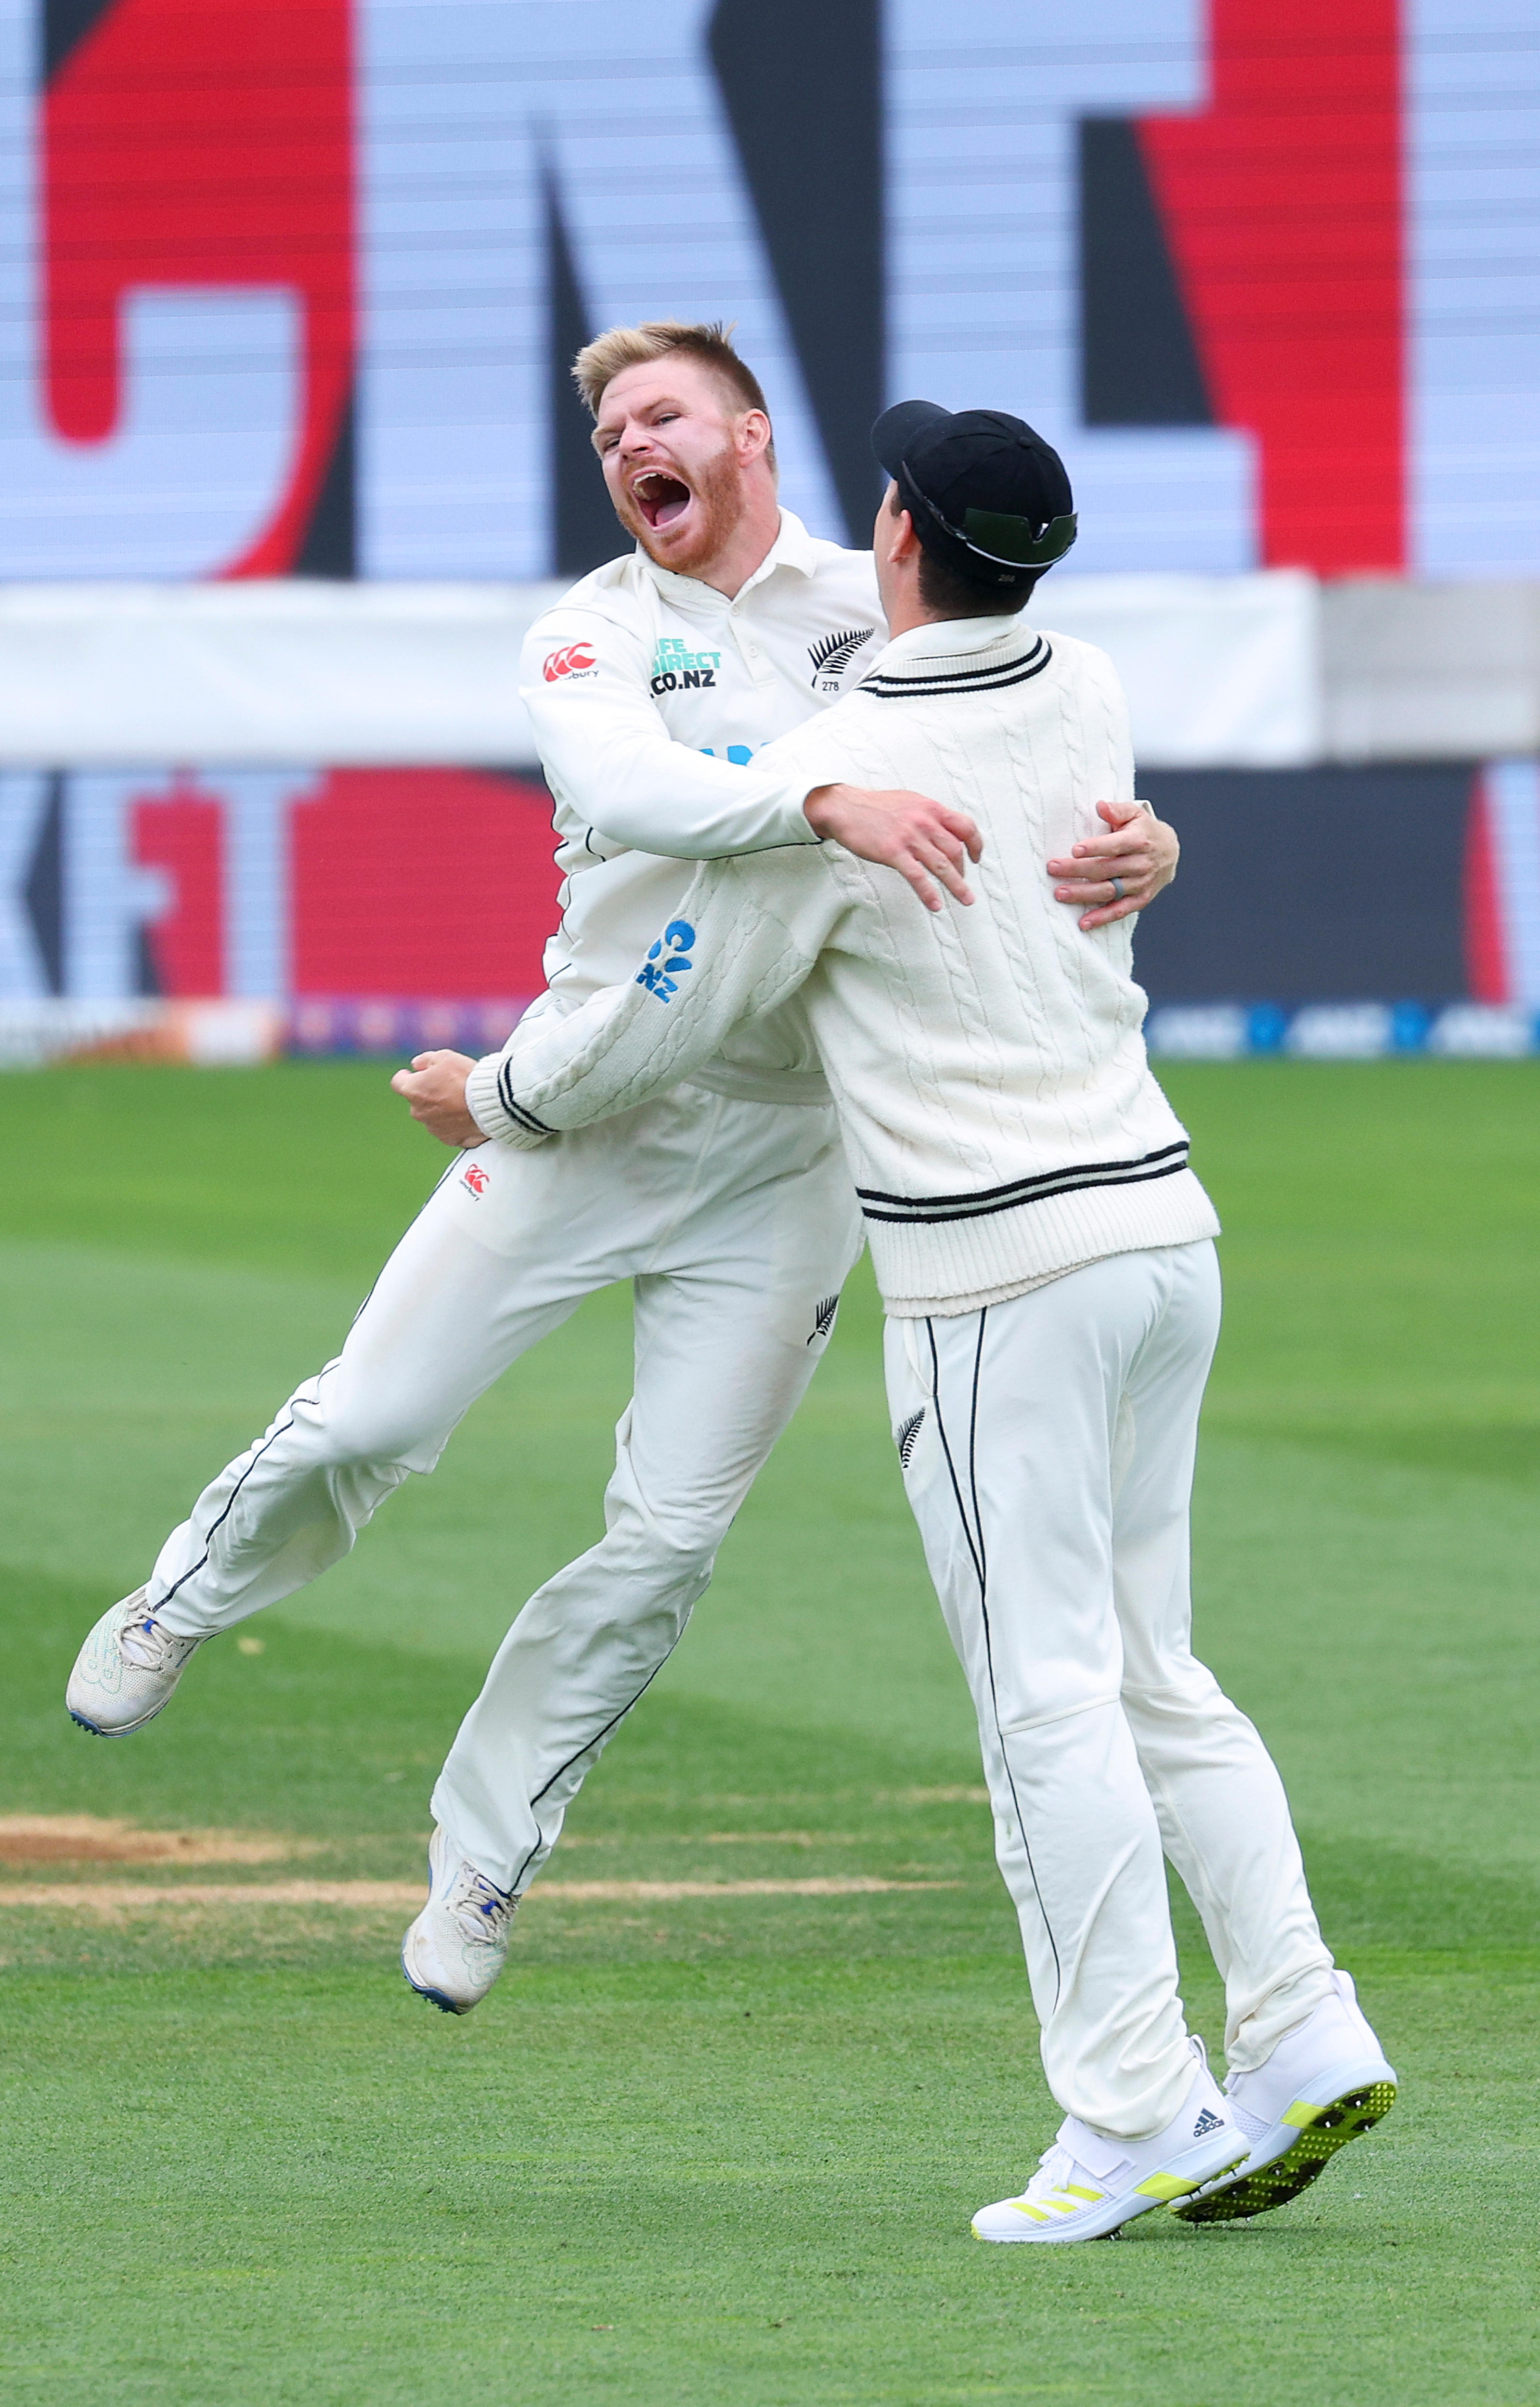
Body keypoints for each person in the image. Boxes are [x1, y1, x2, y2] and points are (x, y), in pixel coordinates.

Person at [62, 320, 1178, 2014]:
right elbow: (629, 788)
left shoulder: (870, 609)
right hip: (587, 1099)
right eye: (607, 436)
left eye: (661, 416)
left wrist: (1148, 844)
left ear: (752, 438)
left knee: (663, 1544)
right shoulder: (590, 630)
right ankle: (182, 1600)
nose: (629, 448)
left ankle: (485, 1855)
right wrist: (820, 804)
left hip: (794, 1156)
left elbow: (1013, 758)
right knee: (370, 1419)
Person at [429, 399, 1398, 2245]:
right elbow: (1093, 832)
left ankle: (1134, 2110)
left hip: (996, 1269)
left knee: (1047, 1701)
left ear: (891, 537)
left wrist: (497, 1097)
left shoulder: (839, 768)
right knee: (1152, 1668)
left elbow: (674, 1014)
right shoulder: (1087, 684)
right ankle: (1297, 2024)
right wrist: (1160, 849)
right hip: (1161, 1228)